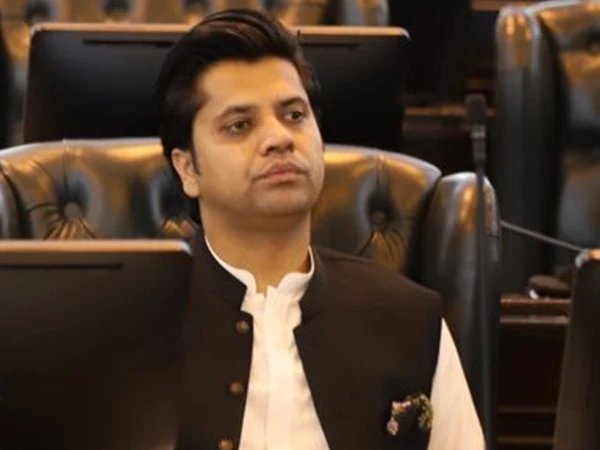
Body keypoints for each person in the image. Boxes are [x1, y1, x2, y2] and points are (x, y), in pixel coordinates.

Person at [154, 8, 484, 450]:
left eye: (294, 115)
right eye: (240, 125)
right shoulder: (130, 327)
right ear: (188, 169)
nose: (279, 138)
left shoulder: (410, 319)